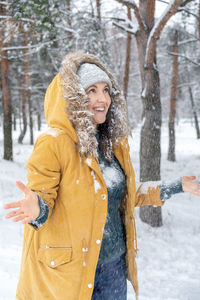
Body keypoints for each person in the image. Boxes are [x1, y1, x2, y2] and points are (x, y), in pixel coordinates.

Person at [3, 51, 200, 300]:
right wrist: (37, 209)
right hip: (72, 272)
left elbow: (125, 195)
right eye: (91, 90)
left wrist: (176, 186)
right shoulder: (55, 142)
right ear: (74, 98)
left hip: (113, 268)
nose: (102, 98)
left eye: (106, 90)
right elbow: (43, 197)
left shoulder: (112, 145)